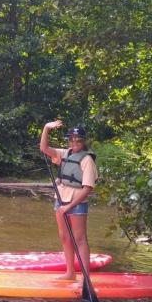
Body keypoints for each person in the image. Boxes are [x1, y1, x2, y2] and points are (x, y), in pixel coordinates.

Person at [40, 120, 97, 280]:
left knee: (80, 239)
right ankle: (70, 273)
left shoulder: (87, 160)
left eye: (78, 139)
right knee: (64, 237)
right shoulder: (65, 153)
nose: (74, 142)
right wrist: (46, 128)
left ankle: (86, 278)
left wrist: (70, 205)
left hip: (76, 203)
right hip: (60, 199)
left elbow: (87, 188)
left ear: (83, 141)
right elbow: (44, 148)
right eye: (71, 139)